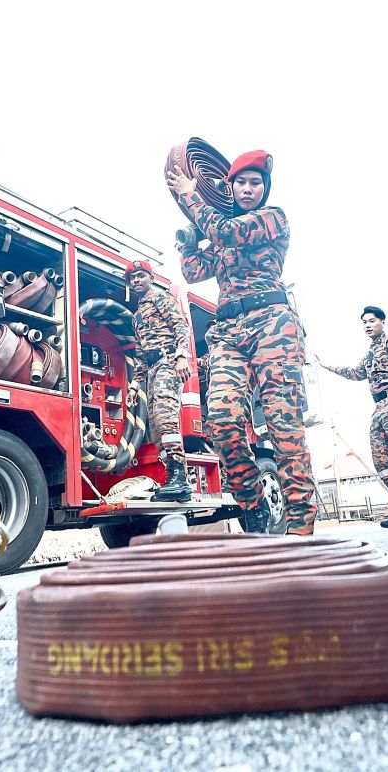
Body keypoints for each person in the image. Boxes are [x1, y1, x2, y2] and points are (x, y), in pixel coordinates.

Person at [166, 150, 316, 535]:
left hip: (272, 326)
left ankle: (301, 528)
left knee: (284, 425)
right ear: (229, 187)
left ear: (265, 189)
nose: (249, 189)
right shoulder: (220, 230)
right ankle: (253, 507)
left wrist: (190, 196)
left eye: (256, 183)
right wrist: (189, 241)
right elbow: (193, 271)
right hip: (228, 331)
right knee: (221, 420)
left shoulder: (272, 218)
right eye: (241, 183)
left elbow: (226, 232)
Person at [316, 306, 388, 530]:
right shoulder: (370, 352)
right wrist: (326, 366)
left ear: (382, 322)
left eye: (372, 321)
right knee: (381, 460)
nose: (367, 325)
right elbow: (356, 373)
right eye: (364, 322)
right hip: (379, 407)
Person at [125, 259, 193, 501]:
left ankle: (180, 478)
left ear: (151, 278)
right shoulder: (136, 316)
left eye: (140, 276)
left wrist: (182, 356)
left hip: (168, 363)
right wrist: (134, 386)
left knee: (165, 419)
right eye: (132, 278)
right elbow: (140, 355)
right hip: (153, 369)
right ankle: (173, 477)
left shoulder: (161, 298)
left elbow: (181, 326)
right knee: (155, 428)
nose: (136, 280)